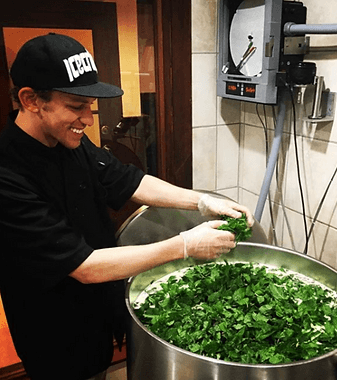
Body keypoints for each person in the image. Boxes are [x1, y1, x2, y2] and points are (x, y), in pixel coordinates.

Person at [0, 33, 254, 380]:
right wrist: (184, 246)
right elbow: (84, 267)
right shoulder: (7, 174)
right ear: (30, 100)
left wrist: (202, 201)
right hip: (52, 326)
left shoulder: (70, 144)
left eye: (89, 105)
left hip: (97, 310)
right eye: (76, 106)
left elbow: (131, 181)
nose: (88, 120)